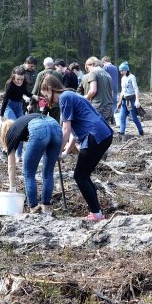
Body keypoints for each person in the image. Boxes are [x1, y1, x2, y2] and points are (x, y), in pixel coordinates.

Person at [40, 75, 114, 221]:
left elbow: (66, 130)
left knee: (79, 176)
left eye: (45, 95)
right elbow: (73, 130)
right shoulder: (70, 95)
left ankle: (97, 214)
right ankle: (97, 212)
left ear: (49, 88)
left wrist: (56, 151)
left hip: (95, 135)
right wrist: (66, 151)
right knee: (84, 175)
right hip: (104, 134)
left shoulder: (64, 98)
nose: (46, 99)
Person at [0, 114, 62, 214]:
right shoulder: (21, 123)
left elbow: (11, 165)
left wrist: (12, 188)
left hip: (39, 128)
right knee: (48, 172)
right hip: (55, 126)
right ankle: (46, 208)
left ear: (4, 133)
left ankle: (34, 207)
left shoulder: (10, 134)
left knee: (28, 173)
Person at [0, 66, 35, 161]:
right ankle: (6, 149)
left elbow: (24, 91)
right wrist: (1, 115)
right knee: (14, 126)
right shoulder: (9, 84)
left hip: (18, 106)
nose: (19, 81)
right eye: (17, 79)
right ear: (13, 77)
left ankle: (18, 156)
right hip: (9, 106)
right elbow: (5, 99)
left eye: (21, 79)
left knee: (22, 128)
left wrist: (33, 96)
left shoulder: (24, 83)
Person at [82, 57, 115, 125]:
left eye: (87, 68)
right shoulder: (108, 75)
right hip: (109, 107)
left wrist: (86, 97)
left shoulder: (93, 73)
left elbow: (93, 90)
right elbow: (111, 92)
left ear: (92, 64)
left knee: (96, 129)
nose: (88, 71)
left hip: (98, 106)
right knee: (106, 129)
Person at [117, 61, 144, 138]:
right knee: (122, 117)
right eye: (120, 71)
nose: (121, 72)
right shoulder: (123, 78)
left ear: (126, 70)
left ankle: (141, 131)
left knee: (134, 118)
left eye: (122, 70)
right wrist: (119, 101)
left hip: (131, 100)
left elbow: (136, 89)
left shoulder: (132, 77)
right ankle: (122, 133)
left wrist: (137, 100)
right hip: (124, 100)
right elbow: (122, 91)